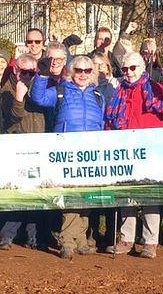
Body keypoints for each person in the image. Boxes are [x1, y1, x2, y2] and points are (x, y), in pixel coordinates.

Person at [30, 55, 110, 258]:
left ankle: (81, 240)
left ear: (93, 73)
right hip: (67, 152)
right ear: (71, 71)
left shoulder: (99, 96)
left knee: (86, 198)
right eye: (79, 70)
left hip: (91, 153)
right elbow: (38, 97)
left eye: (87, 71)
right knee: (71, 196)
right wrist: (42, 75)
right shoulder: (61, 91)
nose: (82, 74)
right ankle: (67, 241)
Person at [104, 51, 163, 258]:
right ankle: (126, 238)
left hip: (149, 149)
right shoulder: (119, 91)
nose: (128, 72)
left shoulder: (154, 88)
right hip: (126, 148)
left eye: (133, 68)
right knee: (127, 194)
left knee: (149, 195)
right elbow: (111, 119)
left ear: (142, 68)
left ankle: (150, 241)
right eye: (125, 69)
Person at [0, 54, 46, 250]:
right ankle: (7, 235)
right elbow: (12, 119)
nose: (27, 76)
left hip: (38, 145)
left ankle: (33, 237)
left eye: (32, 72)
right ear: (15, 70)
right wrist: (19, 97)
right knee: (18, 195)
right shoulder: (5, 91)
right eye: (23, 71)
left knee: (37, 194)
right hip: (17, 147)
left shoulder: (38, 89)